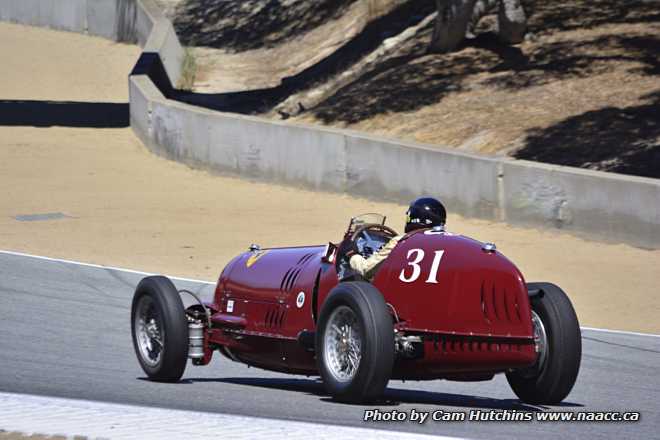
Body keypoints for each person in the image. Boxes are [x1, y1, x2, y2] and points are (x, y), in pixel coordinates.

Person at [342, 197, 447, 280]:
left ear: (414, 218)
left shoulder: (401, 241)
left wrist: (352, 255)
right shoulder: (445, 241)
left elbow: (366, 269)